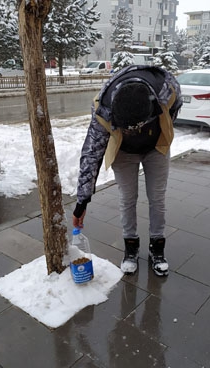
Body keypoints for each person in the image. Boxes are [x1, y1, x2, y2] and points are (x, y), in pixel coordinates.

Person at [72, 64, 182, 276]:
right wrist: (81, 201)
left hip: (156, 146)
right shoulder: (102, 108)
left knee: (157, 198)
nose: (134, 132)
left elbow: (175, 108)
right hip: (124, 152)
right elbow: (91, 153)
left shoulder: (166, 89)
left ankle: (157, 248)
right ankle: (130, 247)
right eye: (128, 128)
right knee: (127, 198)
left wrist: (161, 127)